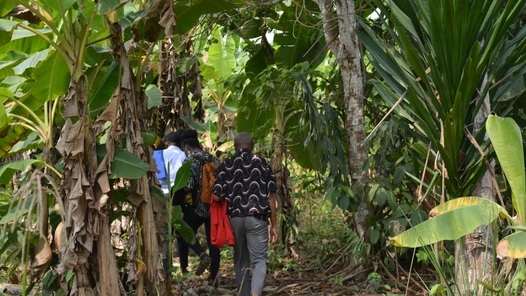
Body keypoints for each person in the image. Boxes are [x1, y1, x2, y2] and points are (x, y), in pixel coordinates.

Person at [212, 132, 278, 296]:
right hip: (257, 218)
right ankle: (255, 294)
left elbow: (215, 195)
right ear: (252, 146)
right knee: (259, 259)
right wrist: (274, 225)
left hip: (235, 219)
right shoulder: (262, 163)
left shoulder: (227, 164)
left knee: (241, 260)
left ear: (235, 147)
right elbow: (271, 197)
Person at [174, 129, 221, 286]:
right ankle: (213, 278)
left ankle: (201, 254)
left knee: (181, 231)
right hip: (215, 206)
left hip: (199, 208)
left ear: (187, 146)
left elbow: (188, 185)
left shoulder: (190, 161)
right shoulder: (214, 158)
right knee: (213, 241)